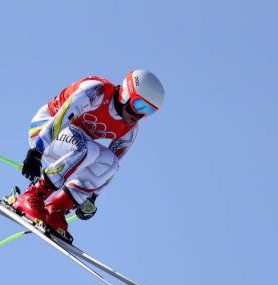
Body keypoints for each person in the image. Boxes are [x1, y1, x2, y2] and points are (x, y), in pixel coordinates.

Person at [12, 70, 165, 242]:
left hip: (75, 148)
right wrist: (36, 152)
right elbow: (60, 118)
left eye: (148, 112)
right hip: (45, 130)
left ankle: (56, 209)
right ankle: (32, 195)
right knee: (86, 149)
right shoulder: (96, 91)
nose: (139, 115)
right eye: (139, 106)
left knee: (110, 162)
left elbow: (108, 168)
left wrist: (91, 198)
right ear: (126, 93)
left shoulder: (129, 130)